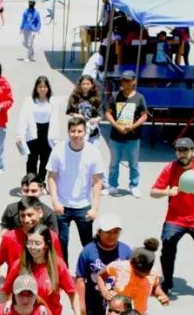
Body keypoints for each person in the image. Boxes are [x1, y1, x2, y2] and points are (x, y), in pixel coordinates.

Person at [2, 225, 82, 315]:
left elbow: (72, 293)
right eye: (29, 243)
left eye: (37, 243)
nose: (32, 247)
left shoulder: (58, 265)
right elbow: (7, 290)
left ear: (46, 245)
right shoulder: (20, 264)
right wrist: (7, 306)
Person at [149, 138, 194, 295]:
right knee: (168, 246)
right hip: (175, 219)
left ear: (193, 152)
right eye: (179, 150)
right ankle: (167, 282)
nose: (181, 154)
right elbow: (153, 192)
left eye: (185, 150)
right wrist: (167, 192)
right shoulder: (170, 168)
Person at [46, 117, 105, 263]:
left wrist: (95, 209)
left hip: (83, 206)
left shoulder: (93, 152)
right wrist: (55, 201)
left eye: (79, 131)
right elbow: (52, 176)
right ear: (68, 132)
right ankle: (63, 274)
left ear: (85, 132)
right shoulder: (58, 150)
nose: (76, 135)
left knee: (87, 244)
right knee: (61, 243)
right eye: (73, 131)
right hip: (62, 206)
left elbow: (97, 182)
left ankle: (88, 272)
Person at [0, 196, 63, 291]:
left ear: (40, 213)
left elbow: (58, 264)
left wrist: (57, 286)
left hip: (44, 290)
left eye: (30, 215)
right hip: (18, 293)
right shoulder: (9, 238)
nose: (26, 220)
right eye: (22, 216)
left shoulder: (52, 237)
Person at [75, 213, 132, 315]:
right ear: (99, 232)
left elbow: (133, 278)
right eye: (108, 232)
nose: (112, 236)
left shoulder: (126, 251)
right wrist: (81, 305)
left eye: (116, 232)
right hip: (94, 306)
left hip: (119, 308)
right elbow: (80, 279)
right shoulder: (88, 251)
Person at [96, 238, 169, 315]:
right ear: (131, 263)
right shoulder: (119, 267)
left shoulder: (153, 273)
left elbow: (155, 287)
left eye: (144, 275)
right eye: (137, 273)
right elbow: (100, 275)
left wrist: (161, 296)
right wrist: (105, 292)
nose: (140, 277)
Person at [105, 71, 148, 197]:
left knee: (133, 164)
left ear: (134, 81)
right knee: (114, 163)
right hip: (116, 136)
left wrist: (133, 126)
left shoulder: (139, 98)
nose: (126, 83)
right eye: (124, 80)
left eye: (128, 80)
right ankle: (112, 185)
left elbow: (144, 115)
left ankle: (134, 185)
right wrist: (116, 125)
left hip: (133, 137)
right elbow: (108, 112)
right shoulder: (114, 96)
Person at [15, 77, 58, 183]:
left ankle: (41, 181)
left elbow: (56, 121)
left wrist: (56, 138)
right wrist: (20, 134)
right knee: (32, 159)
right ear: (36, 88)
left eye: (44, 87)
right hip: (33, 132)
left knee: (45, 159)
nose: (42, 89)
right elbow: (23, 118)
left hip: (47, 133)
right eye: (40, 87)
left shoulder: (52, 102)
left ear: (48, 88)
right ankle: (31, 181)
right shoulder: (29, 101)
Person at [66, 75, 103, 146]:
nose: (85, 86)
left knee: (93, 153)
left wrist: (96, 119)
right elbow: (69, 111)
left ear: (92, 85)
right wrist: (77, 115)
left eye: (88, 84)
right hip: (78, 131)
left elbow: (100, 114)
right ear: (80, 85)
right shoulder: (74, 96)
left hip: (93, 132)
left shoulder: (96, 97)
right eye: (83, 84)